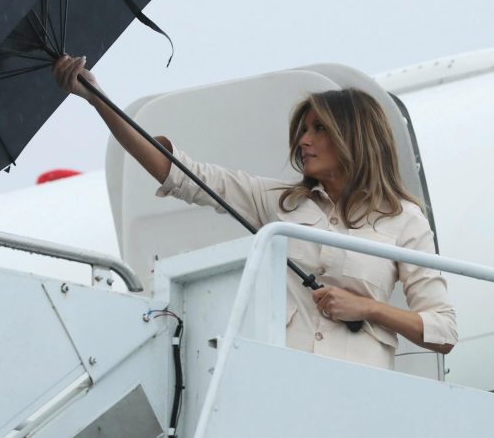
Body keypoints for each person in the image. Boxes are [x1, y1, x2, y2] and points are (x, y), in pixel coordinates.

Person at [53, 55, 457, 370]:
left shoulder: (404, 218)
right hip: (281, 383)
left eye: (318, 129)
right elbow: (184, 175)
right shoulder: (281, 203)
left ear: (354, 137)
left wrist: (367, 308)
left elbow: (443, 328)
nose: (303, 140)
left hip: (356, 395)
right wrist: (97, 99)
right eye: (303, 129)